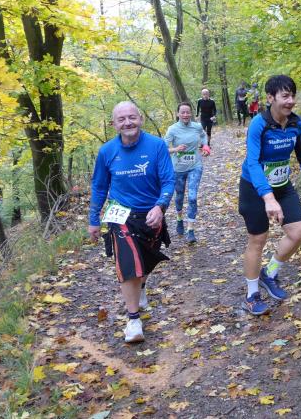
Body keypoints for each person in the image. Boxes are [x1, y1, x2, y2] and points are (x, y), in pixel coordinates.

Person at [88, 101, 175, 344]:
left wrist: (160, 206)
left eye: (132, 117)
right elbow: (99, 187)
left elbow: (168, 181)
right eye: (122, 119)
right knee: (128, 264)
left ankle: (141, 288)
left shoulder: (157, 145)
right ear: (113, 124)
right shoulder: (107, 151)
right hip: (120, 215)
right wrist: (93, 220)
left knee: (144, 263)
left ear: (141, 119)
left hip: (150, 214)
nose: (128, 123)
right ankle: (133, 320)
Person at [238, 75, 301, 315]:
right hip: (254, 188)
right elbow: (253, 162)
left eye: (292, 95)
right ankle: (251, 295)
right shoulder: (259, 124)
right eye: (285, 96)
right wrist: (267, 197)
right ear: (270, 98)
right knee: (258, 239)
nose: (290, 101)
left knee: (300, 232)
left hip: (282, 185)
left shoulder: (296, 123)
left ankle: (270, 273)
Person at [165, 102, 211, 243]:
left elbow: (204, 136)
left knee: (192, 197)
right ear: (178, 114)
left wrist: (205, 146)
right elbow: (163, 148)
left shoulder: (197, 127)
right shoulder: (172, 129)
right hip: (178, 169)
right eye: (182, 112)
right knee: (179, 196)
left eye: (188, 112)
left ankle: (190, 230)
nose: (185, 115)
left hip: (195, 166)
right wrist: (176, 149)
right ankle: (179, 219)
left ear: (191, 113)